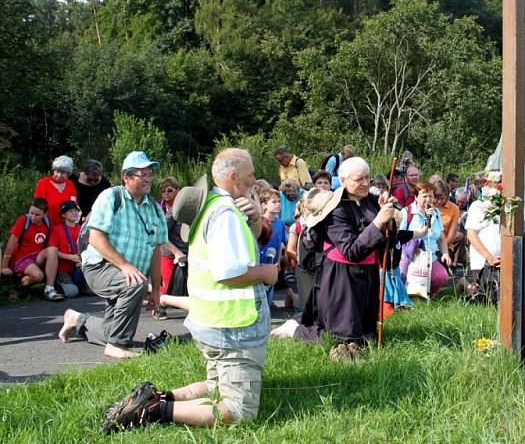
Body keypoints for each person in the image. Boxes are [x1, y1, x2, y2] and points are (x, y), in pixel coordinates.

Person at [98, 148, 275, 433]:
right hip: (233, 326)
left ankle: (157, 398)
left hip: (212, 323)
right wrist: (268, 273)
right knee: (239, 410)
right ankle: (154, 410)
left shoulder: (210, 209)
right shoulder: (225, 214)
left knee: (215, 385)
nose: (254, 179)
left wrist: (254, 218)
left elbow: (243, 242)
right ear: (232, 176)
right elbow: (229, 273)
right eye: (250, 174)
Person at [271, 157, 396, 356]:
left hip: (367, 275)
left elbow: (386, 241)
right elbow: (351, 251)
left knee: (366, 336)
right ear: (343, 180)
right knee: (339, 337)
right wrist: (379, 221)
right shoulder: (334, 209)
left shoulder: (372, 201)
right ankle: (294, 329)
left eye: (367, 178)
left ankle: (301, 320)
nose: (365, 183)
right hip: (341, 278)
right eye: (358, 179)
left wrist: (388, 216)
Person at [58, 151, 168, 358]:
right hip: (99, 267)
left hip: (129, 274)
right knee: (135, 284)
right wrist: (126, 266)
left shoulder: (155, 208)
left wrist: (156, 290)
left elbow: (155, 250)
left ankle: (76, 319)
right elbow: (95, 238)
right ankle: (117, 346)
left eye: (150, 173)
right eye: (141, 173)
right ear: (126, 177)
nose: (147, 178)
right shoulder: (111, 197)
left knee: (111, 329)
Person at [1, 197, 64, 300]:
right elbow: (10, 244)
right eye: (31, 213)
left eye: (37, 215)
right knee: (38, 275)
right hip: (21, 258)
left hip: (37, 256)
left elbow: (51, 243)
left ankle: (49, 289)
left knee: (52, 250)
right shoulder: (23, 220)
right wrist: (4, 267)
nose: (33, 217)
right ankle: (17, 288)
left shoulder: (48, 222)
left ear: (45, 214)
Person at [398, 182, 451, 298]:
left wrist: (445, 253)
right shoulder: (406, 212)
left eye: (430, 196)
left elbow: (441, 237)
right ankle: (405, 297)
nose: (428, 199)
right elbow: (399, 236)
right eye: (424, 196)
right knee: (404, 278)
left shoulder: (435, 213)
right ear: (416, 197)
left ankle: (428, 295)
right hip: (411, 257)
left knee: (441, 276)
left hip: (430, 256)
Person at [155, 177, 188, 311]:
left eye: (170, 190)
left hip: (185, 252)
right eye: (163, 191)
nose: (166, 193)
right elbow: (159, 233)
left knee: (183, 285)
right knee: (168, 286)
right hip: (168, 253)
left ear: (178, 190)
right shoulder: (170, 211)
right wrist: (176, 252)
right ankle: (158, 305)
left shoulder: (183, 206)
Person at [49, 200, 84, 298]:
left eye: (76, 210)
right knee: (72, 292)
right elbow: (53, 251)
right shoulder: (56, 229)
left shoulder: (82, 229)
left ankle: (80, 286)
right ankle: (60, 285)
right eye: (71, 211)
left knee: (93, 290)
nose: (75, 213)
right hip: (63, 268)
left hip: (80, 267)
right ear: (63, 215)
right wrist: (71, 257)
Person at [34, 155, 78, 226]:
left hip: (65, 226)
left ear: (68, 174)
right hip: (46, 224)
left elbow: (74, 204)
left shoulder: (70, 184)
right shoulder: (43, 183)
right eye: (57, 171)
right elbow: (37, 205)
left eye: (63, 173)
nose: (59, 175)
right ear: (53, 170)